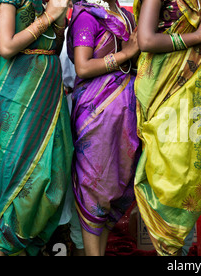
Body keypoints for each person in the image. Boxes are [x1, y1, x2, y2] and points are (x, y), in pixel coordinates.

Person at [133, 0, 201, 255]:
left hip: (198, 91)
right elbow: (146, 40)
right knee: (168, 171)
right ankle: (169, 250)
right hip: (165, 90)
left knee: (190, 176)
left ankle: (177, 251)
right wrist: (197, 36)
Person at [0, 0, 74, 256]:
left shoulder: (48, 2)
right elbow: (6, 46)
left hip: (47, 95)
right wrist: (50, 16)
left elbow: (53, 48)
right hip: (14, 97)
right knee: (16, 191)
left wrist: (57, 15)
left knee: (51, 174)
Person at [67, 0, 141, 256]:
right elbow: (83, 66)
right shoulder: (87, 15)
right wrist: (125, 54)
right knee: (94, 188)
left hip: (123, 114)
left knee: (113, 189)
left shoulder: (123, 14)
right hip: (95, 114)